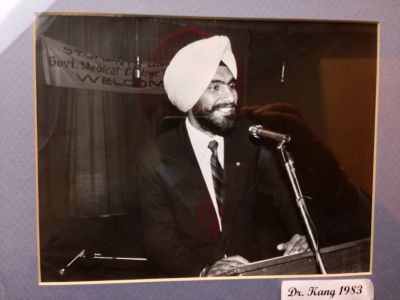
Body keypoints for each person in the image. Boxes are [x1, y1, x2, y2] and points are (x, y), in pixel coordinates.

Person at [138, 35, 309, 277]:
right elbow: (159, 237)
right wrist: (203, 271)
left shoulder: (250, 138)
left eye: (231, 85)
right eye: (215, 87)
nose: (231, 98)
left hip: (255, 272)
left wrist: (301, 234)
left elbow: (284, 198)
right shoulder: (155, 155)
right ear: (190, 97)